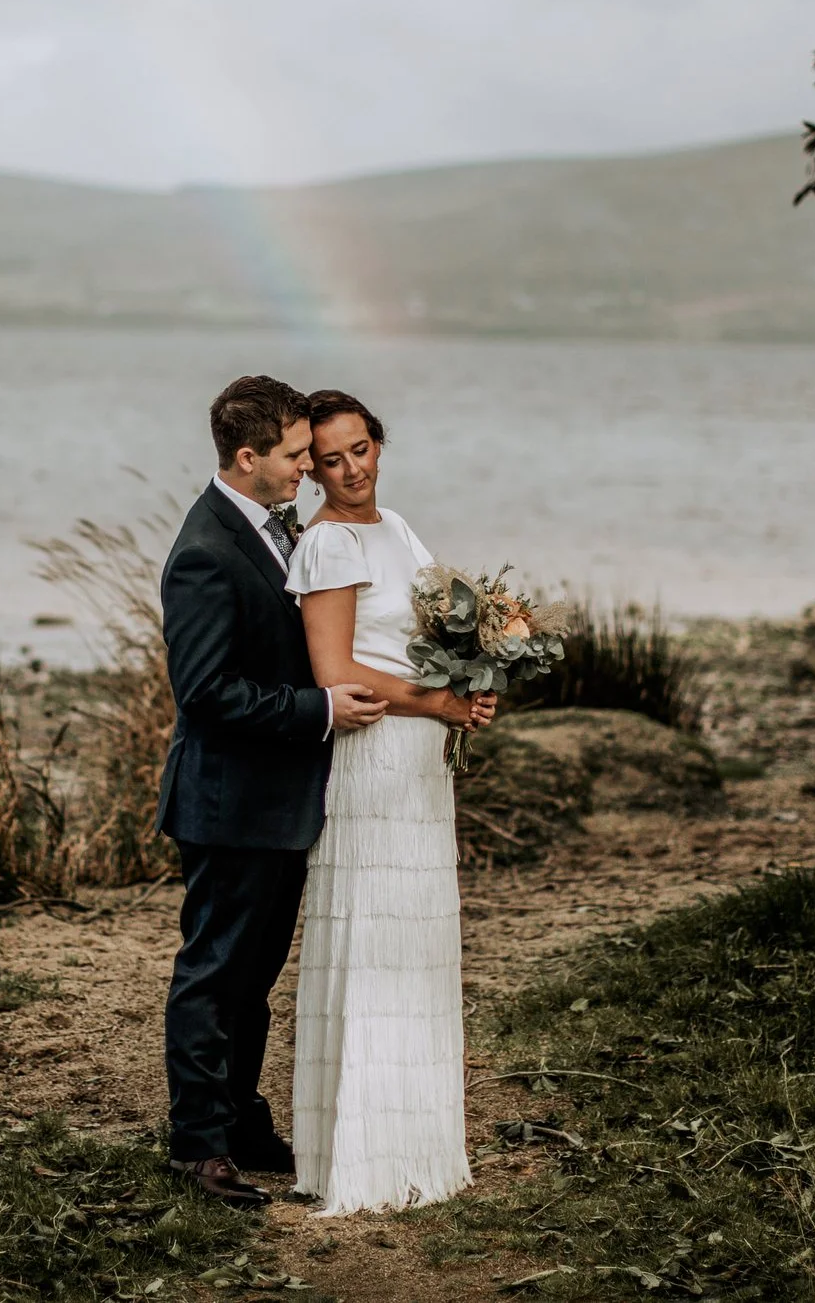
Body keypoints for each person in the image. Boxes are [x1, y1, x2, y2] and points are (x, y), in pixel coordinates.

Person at [157, 375, 388, 1207]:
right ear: (247, 456)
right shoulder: (203, 551)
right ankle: (198, 1146)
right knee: (214, 973)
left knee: (253, 974)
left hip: (277, 800)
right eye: (295, 455)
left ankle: (243, 1119)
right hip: (227, 801)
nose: (310, 467)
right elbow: (206, 692)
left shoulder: (272, 523)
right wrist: (319, 707)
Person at [284, 388, 494, 1215]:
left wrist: (476, 683)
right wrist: (433, 703)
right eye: (330, 459)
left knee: (418, 942)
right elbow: (335, 670)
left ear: (380, 443)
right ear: (313, 468)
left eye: (361, 449)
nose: (350, 470)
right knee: (372, 938)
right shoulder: (327, 545)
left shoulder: (399, 527)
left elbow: (437, 631)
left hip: (419, 758)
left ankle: (418, 1145)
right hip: (372, 755)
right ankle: (360, 1157)